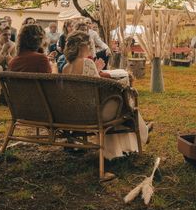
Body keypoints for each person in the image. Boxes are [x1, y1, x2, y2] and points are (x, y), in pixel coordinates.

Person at [62, 31, 150, 159]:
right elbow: (101, 88)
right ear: (82, 46)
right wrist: (122, 82)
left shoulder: (65, 67)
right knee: (123, 102)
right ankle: (143, 133)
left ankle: (138, 135)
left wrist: (96, 72)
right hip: (92, 114)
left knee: (120, 103)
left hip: (75, 113)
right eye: (90, 44)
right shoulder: (87, 63)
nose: (91, 48)